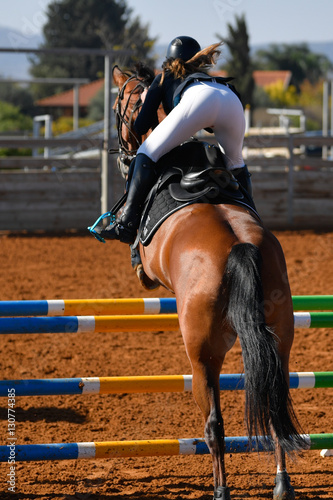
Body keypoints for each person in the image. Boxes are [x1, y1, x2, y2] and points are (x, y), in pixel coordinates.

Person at [100, 36, 252, 244]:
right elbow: (209, 124)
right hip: (230, 98)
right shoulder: (205, 77)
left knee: (145, 152)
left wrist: (147, 100)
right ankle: (252, 215)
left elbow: (141, 126)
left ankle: (126, 224)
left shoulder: (163, 77)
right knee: (235, 163)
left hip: (200, 99)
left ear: (169, 60)